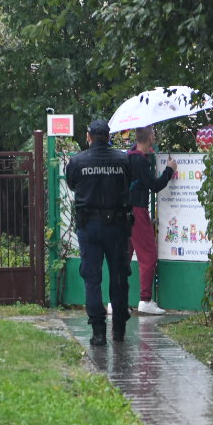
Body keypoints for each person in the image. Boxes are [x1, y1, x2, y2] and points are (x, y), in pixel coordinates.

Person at [64, 117, 132, 345]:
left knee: (92, 278)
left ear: (89, 136)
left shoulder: (77, 161)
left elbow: (72, 184)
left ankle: (98, 332)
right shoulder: (122, 160)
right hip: (117, 226)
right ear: (109, 136)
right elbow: (129, 183)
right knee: (119, 278)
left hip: (89, 226)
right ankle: (119, 329)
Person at [126, 125, 177, 314]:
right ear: (149, 138)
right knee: (148, 256)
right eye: (153, 135)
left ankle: (116, 301)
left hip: (122, 211)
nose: (155, 138)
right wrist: (169, 170)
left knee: (123, 256)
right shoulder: (139, 160)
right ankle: (145, 300)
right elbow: (154, 186)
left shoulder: (128, 156)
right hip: (137, 210)